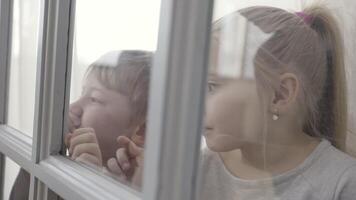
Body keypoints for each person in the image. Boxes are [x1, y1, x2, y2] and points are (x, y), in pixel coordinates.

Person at [112, 4, 356, 200]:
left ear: (279, 94)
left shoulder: (342, 184)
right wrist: (144, 187)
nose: (193, 102)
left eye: (210, 86)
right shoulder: (197, 168)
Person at [9, 50, 152, 199]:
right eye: (82, 93)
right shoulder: (64, 161)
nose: (72, 108)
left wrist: (88, 185)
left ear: (141, 130)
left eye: (95, 99)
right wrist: (38, 159)